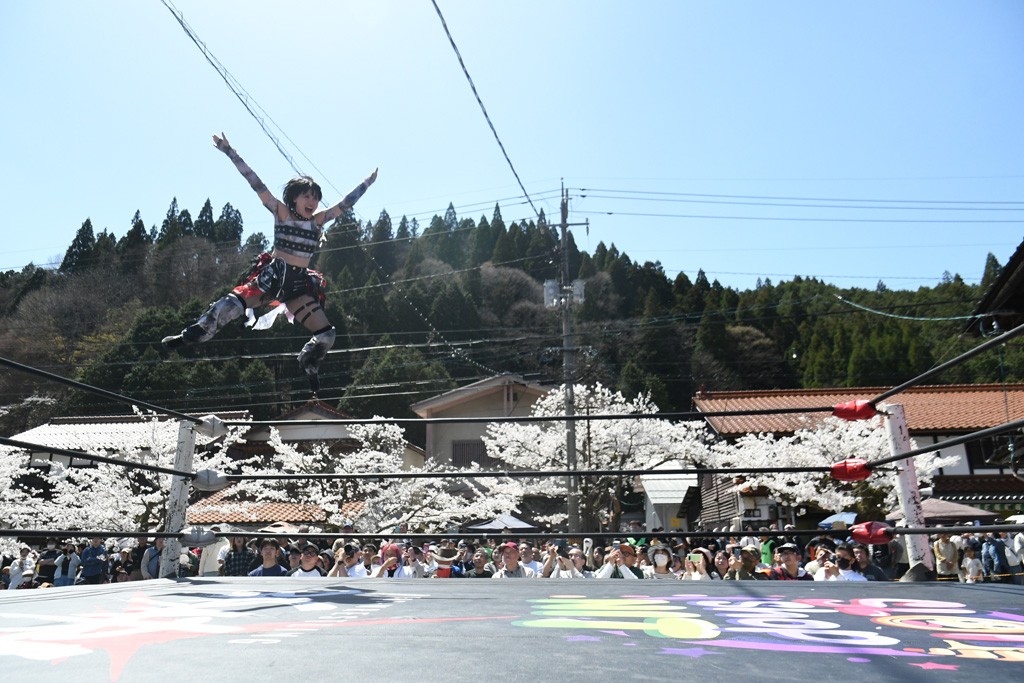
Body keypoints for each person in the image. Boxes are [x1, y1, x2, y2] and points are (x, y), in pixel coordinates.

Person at [162, 133, 377, 393]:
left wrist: (367, 183)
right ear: (294, 198)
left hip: (298, 285)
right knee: (226, 307)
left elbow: (345, 204)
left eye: (315, 197)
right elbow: (255, 182)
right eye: (307, 196)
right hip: (272, 278)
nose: (312, 202)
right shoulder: (281, 212)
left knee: (327, 335)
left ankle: (309, 361)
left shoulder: (318, 221)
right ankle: (188, 336)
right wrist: (230, 152)